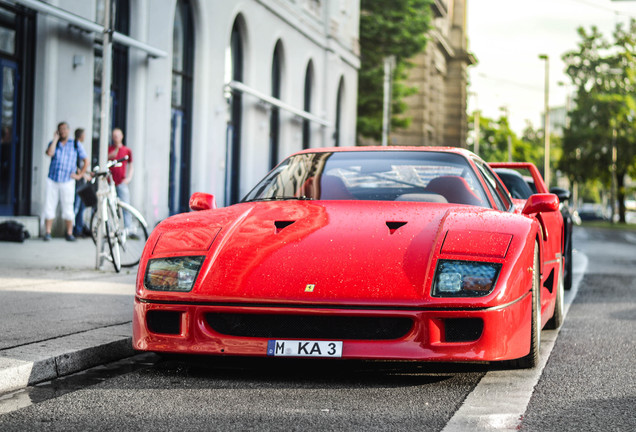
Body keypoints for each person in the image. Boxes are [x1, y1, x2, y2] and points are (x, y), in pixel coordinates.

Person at [43, 122, 89, 241]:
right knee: (49, 206)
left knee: (68, 206)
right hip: (52, 179)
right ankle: (48, 232)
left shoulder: (75, 144)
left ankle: (69, 233)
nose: (62, 131)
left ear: (68, 130)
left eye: (64, 129)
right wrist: (55, 139)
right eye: (60, 129)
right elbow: (49, 153)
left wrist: (80, 175)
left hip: (67, 180)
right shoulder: (54, 143)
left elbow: (86, 160)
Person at [108, 127, 133, 228]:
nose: (116, 138)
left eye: (117, 136)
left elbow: (131, 165)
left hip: (121, 182)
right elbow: (107, 158)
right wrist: (116, 151)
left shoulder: (127, 150)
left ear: (122, 136)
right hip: (110, 182)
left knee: (125, 205)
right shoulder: (110, 149)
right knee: (111, 206)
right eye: (114, 136)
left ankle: (128, 228)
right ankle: (112, 228)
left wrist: (129, 178)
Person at [72, 128, 91, 237]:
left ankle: (79, 228)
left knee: (82, 206)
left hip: (81, 180)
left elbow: (82, 166)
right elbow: (75, 166)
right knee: (76, 205)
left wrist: (88, 173)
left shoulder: (79, 146)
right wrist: (82, 175)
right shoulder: (75, 146)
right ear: (81, 135)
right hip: (78, 181)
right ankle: (75, 229)